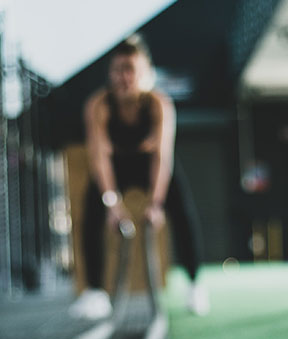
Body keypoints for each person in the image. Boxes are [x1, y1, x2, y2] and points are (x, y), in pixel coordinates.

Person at [69, 34, 209, 320]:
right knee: (91, 209)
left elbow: (162, 157)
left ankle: (195, 285)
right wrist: (112, 205)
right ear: (110, 74)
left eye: (130, 70)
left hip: (149, 166)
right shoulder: (99, 106)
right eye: (118, 70)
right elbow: (99, 158)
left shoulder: (159, 105)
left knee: (182, 210)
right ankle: (95, 293)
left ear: (145, 74)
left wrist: (155, 205)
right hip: (116, 166)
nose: (123, 77)